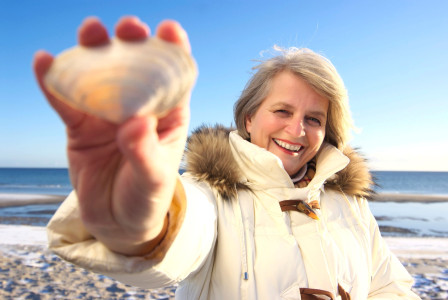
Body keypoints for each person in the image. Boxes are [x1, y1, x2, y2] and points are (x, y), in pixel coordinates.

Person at [34, 16, 420, 299]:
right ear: (249, 117)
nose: (297, 129)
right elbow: (184, 240)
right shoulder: (211, 195)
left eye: (314, 118)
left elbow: (389, 285)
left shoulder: (349, 204)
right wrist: (141, 224)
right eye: (282, 111)